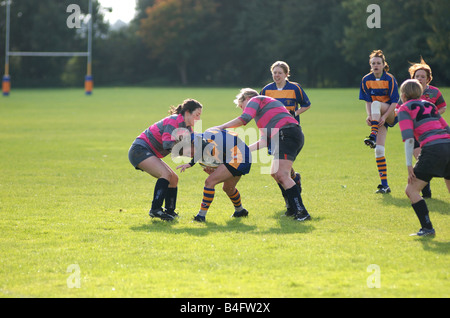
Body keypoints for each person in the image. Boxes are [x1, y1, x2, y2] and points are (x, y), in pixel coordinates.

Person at [214, 88, 311, 222]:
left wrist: (221, 127)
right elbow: (264, 141)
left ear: (247, 99)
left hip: (286, 133)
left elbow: (244, 119)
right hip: (286, 135)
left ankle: (302, 212)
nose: (243, 110)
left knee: (282, 174)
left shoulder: (256, 99)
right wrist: (242, 150)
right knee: (275, 173)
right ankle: (292, 209)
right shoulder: (263, 115)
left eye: (242, 106)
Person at [128, 99, 203, 221]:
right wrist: (189, 152)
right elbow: (167, 145)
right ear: (188, 112)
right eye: (197, 115)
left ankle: (170, 211)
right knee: (166, 174)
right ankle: (155, 210)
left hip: (150, 152)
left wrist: (205, 156)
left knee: (174, 179)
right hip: (139, 150)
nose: (199, 119)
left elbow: (194, 148)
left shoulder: (188, 129)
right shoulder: (174, 120)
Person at [398, 79, 450, 237]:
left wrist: (409, 166)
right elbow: (447, 128)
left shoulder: (404, 108)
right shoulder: (431, 105)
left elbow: (409, 140)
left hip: (433, 149)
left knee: (411, 190)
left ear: (404, 95)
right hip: (448, 144)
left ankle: (427, 228)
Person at [177, 128, 251, 222]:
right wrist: (216, 170)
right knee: (228, 188)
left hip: (239, 155)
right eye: (187, 156)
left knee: (209, 182)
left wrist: (190, 164)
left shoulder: (197, 139)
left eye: (188, 152)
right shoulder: (199, 141)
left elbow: (204, 146)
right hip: (239, 155)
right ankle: (240, 211)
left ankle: (201, 216)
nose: (190, 155)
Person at [260, 61, 311, 197]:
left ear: (286, 74)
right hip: (273, 131)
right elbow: (261, 109)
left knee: (281, 163)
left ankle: (291, 192)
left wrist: (295, 114)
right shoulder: (266, 90)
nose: (277, 75)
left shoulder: (295, 88)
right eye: (274, 73)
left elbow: (306, 104)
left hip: (289, 131)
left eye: (280, 73)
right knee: (279, 162)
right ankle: (294, 180)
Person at [403, 57, 447, 198]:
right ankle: (425, 191)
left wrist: (430, 118)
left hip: (431, 137)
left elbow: (443, 107)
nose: (420, 78)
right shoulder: (408, 94)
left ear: (428, 79)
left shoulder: (434, 93)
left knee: (423, 163)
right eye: (417, 76)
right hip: (418, 135)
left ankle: (422, 192)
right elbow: (399, 110)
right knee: (422, 161)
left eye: (423, 76)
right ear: (413, 78)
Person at [359, 50, 399, 194]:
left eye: (378, 63)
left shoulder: (389, 79)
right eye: (373, 63)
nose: (376, 65)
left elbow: (395, 101)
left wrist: (384, 116)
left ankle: (372, 136)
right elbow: (367, 101)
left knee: (376, 104)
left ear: (383, 65)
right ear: (370, 65)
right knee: (379, 151)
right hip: (377, 117)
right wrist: (370, 116)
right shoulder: (366, 79)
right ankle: (385, 185)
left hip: (390, 113)